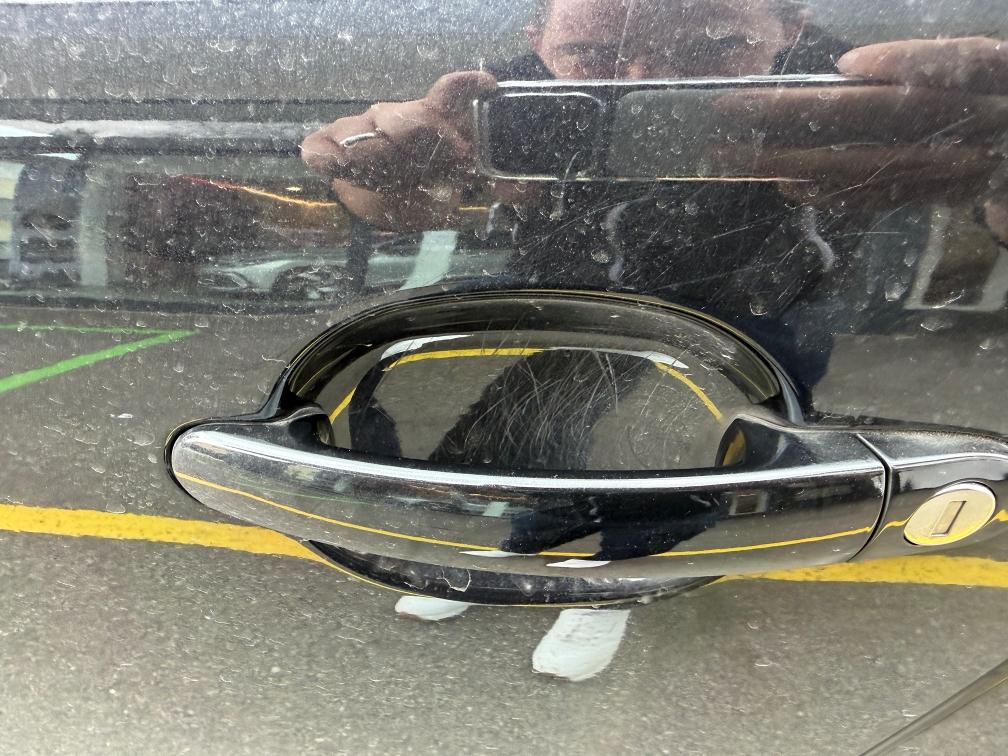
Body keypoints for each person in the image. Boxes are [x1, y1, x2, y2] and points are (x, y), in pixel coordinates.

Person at [303, 0, 1008, 680]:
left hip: (762, 306)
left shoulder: (859, 88)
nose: (645, 79)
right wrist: (378, 175)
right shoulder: (506, 93)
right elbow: (414, 190)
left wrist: (993, 170)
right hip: (576, 302)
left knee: (695, 458)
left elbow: (959, 179)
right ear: (538, 36)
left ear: (790, 26)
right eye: (592, 52)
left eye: (713, 48)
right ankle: (519, 548)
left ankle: (616, 581)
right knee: (528, 427)